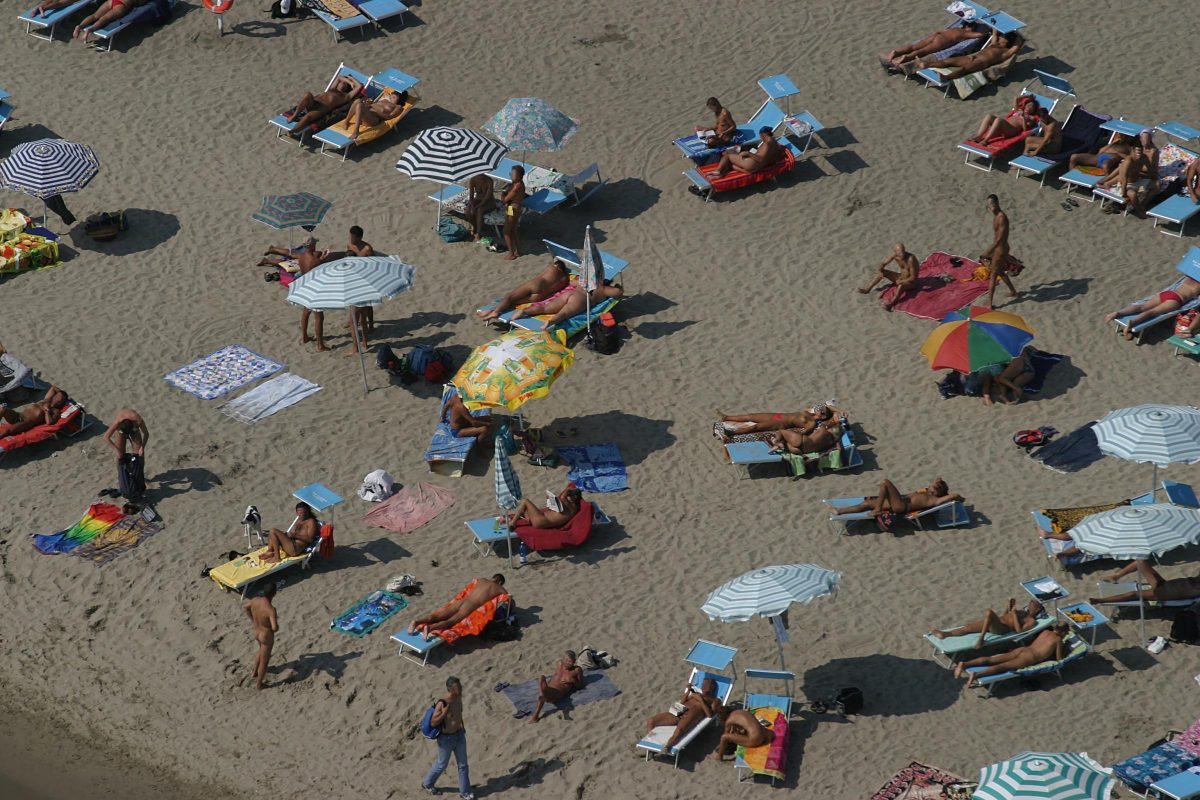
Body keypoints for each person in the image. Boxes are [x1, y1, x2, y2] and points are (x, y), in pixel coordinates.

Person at [953, 624, 1069, 687]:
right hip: (1030, 658)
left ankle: (965, 664)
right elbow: (1059, 658)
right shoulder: (1058, 640)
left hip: (1023, 649)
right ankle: (976, 675)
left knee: (992, 659)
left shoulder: (1045, 631)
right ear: (1063, 632)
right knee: (1003, 666)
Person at [421, 676, 475, 800]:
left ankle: (465, 792)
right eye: (457, 687)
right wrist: (444, 713)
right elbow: (433, 722)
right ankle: (427, 783)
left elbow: (458, 713)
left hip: (459, 735)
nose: (460, 689)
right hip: (446, 739)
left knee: (463, 765)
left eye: (460, 686)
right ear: (450, 689)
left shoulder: (458, 696)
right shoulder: (443, 702)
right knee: (442, 764)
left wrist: (462, 726)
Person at [407, 575, 508, 639]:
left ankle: (416, 622)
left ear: (493, 578)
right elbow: (508, 598)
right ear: (500, 583)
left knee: (438, 616)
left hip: (462, 601)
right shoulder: (499, 588)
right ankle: (430, 628)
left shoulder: (482, 580)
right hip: (471, 605)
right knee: (451, 622)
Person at [1104, 276, 1200, 340]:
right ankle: (1133, 322)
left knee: (1142, 306)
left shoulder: (1189, 275)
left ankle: (1118, 313)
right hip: (1177, 299)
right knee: (1152, 312)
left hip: (1169, 293)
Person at [475, 258, 571, 321]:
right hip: (540, 296)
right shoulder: (565, 280)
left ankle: (495, 312)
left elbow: (540, 276)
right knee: (513, 302)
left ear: (557, 265)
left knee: (509, 297)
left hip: (535, 285)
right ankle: (491, 311)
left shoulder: (552, 268)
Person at [929, 598, 1045, 649]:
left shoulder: (1032, 621)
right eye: (1030, 602)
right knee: (968, 627)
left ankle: (981, 639)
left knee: (989, 612)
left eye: (1033, 604)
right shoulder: (1022, 612)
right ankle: (945, 634)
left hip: (1002, 629)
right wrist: (1008, 607)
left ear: (1037, 610)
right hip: (997, 622)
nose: (1030, 603)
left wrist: (1014, 614)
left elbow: (1020, 631)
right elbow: (1005, 615)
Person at [644, 678, 723, 752]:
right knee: (651, 721)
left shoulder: (715, 700)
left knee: (679, 731)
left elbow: (710, 714)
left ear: (712, 687)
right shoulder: (695, 694)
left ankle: (666, 747)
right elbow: (681, 702)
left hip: (690, 715)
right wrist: (688, 691)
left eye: (707, 685)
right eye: (703, 684)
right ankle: (650, 744)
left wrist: (700, 699)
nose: (704, 687)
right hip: (680, 710)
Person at [915, 30, 1023, 81]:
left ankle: (946, 77)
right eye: (1001, 36)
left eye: (1003, 37)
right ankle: (926, 64)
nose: (1000, 38)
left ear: (1008, 41)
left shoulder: (1006, 52)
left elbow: (1017, 45)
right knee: (949, 61)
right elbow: (994, 33)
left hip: (982, 62)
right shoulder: (994, 43)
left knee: (964, 69)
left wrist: (1017, 33)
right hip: (973, 57)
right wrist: (1000, 24)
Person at [509, 281, 624, 328]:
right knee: (563, 314)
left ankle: (524, 312)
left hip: (571, 293)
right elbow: (618, 292)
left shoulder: (587, 280)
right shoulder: (603, 289)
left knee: (545, 307)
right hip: (581, 299)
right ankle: (550, 322)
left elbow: (572, 282)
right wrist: (617, 287)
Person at [835, 479, 964, 521]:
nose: (931, 487)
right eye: (932, 486)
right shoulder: (927, 491)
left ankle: (877, 510)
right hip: (899, 500)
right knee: (867, 503)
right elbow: (937, 479)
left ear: (940, 493)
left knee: (885, 483)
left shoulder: (935, 500)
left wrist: (961, 499)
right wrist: (937, 484)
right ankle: (840, 511)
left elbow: (954, 495)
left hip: (901, 506)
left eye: (934, 488)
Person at [292, 239, 339, 351]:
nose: (316, 245)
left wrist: (321, 258)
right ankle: (320, 345)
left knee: (305, 312)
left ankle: (304, 337)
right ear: (311, 245)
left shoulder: (302, 256)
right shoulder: (314, 260)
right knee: (319, 317)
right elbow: (321, 266)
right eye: (315, 244)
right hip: (314, 290)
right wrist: (324, 258)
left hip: (305, 287)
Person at [281, 74, 364, 135]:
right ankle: (295, 115)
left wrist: (351, 82)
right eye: (342, 82)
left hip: (321, 109)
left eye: (344, 84)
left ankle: (293, 131)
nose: (342, 83)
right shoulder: (332, 89)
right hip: (313, 102)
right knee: (307, 94)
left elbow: (359, 86)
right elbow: (339, 77)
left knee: (308, 117)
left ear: (347, 88)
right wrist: (349, 80)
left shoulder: (346, 96)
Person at [1090, 560, 1200, 604]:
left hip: (1162, 593)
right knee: (1140, 562)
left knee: (1132, 594)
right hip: (1165, 584)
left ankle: (1100, 600)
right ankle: (1115, 576)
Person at [883, 21, 988, 66]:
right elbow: (979, 35)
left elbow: (939, 31)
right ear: (969, 28)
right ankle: (905, 58)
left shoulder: (956, 28)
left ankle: (896, 52)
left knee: (914, 46)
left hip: (937, 35)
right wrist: (987, 30)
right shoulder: (965, 33)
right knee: (923, 51)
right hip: (941, 41)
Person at [1098, 138, 1156, 218]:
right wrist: (1123, 193)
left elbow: (1150, 169)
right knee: (1132, 194)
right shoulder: (1128, 161)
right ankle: (1139, 211)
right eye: (1137, 152)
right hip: (1128, 185)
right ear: (1133, 150)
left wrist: (1153, 177)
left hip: (1138, 181)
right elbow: (1124, 178)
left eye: (1140, 152)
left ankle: (1143, 204)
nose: (1139, 154)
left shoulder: (1144, 158)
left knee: (1157, 184)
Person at [716, 403, 846, 438]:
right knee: (751, 416)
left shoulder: (812, 423)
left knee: (756, 427)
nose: (819, 409)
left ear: (823, 416)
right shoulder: (811, 411)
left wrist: (792, 434)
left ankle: (731, 433)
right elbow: (828, 405)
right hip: (778, 415)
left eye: (822, 411)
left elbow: (805, 433)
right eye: (820, 409)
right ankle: (726, 417)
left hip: (780, 422)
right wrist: (841, 410)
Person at [858, 243, 921, 310]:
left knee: (901, 285)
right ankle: (867, 289)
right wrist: (880, 269)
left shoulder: (911, 259)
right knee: (882, 272)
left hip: (912, 283)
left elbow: (913, 278)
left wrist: (901, 281)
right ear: (895, 252)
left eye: (903, 252)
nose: (901, 255)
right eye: (899, 253)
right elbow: (883, 263)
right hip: (901, 277)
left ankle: (891, 304)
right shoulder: (894, 255)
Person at [530, 650, 585, 723]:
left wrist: (572, 680)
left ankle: (536, 715)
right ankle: (542, 695)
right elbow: (554, 677)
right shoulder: (559, 664)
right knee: (541, 677)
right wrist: (547, 685)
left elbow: (580, 686)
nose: (568, 663)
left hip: (557, 693)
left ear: (574, 661)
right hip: (549, 688)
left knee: (543, 691)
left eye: (570, 661)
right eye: (566, 660)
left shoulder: (576, 670)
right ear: (562, 659)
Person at [981, 194, 1016, 308]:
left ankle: (989, 303)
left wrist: (986, 252)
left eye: (992, 203)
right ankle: (1013, 291)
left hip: (1001, 249)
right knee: (999, 271)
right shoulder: (995, 216)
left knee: (993, 274)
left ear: (997, 203)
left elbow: (999, 239)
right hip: (999, 247)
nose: (991, 206)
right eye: (989, 204)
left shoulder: (1001, 218)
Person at [242, 582, 278, 691]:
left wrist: (252, 619)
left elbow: (246, 607)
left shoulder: (255, 600)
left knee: (260, 650)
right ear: (274, 594)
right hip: (265, 635)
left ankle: (254, 672)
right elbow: (274, 627)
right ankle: (259, 685)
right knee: (264, 660)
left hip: (256, 631)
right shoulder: (270, 609)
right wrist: (274, 626)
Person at [966, 94, 1038, 146]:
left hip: (1011, 130)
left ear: (1034, 110)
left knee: (999, 120)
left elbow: (1025, 129)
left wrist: (1023, 119)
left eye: (1032, 106)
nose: (1029, 107)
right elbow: (1016, 98)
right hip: (1003, 127)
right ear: (1025, 105)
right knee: (989, 116)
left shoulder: (1031, 118)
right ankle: (979, 137)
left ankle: (985, 140)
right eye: (1028, 104)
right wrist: (1027, 96)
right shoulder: (1018, 110)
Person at [712, 127, 782, 179]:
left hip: (752, 164)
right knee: (731, 164)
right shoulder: (775, 143)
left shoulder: (767, 144)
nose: (761, 137)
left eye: (760, 136)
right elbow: (772, 158)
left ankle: (718, 171)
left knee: (727, 156)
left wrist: (748, 153)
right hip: (757, 167)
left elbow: (761, 159)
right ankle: (722, 174)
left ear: (763, 134)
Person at [0, 385, 68, 437]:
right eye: (57, 396)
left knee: (6, 431)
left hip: (25, 423)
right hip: (18, 415)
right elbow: (53, 387)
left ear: (62, 402)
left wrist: (47, 411)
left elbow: (49, 422)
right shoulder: (46, 399)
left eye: (60, 399)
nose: (57, 399)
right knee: (3, 409)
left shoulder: (55, 411)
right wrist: (61, 393)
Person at [709, 709, 774, 761]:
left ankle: (719, 756)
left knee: (724, 737)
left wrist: (721, 746)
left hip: (756, 739)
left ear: (723, 719)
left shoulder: (728, 721)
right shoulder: (739, 712)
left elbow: (726, 735)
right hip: (766, 734)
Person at [73, 0, 146, 42]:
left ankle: (79, 26)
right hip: (122, 5)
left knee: (95, 15)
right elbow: (141, 3)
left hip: (112, 1)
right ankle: (90, 30)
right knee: (104, 19)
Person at [509, 487, 582, 529]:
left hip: (541, 520)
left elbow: (563, 496)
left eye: (569, 495)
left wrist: (568, 489)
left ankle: (513, 523)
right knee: (526, 509)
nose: (567, 496)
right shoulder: (573, 508)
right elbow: (555, 511)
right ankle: (527, 519)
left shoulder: (569, 505)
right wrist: (550, 501)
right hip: (543, 522)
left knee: (526, 501)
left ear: (574, 498)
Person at [766, 415, 841, 455]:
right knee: (786, 441)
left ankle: (777, 442)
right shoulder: (831, 441)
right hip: (802, 451)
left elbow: (806, 432)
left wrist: (799, 433)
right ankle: (780, 444)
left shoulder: (823, 429)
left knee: (781, 431)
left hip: (803, 441)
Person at [1068, 135, 1134, 173]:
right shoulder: (1115, 143)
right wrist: (1112, 143)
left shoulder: (1129, 148)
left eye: (1126, 136)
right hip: (1097, 157)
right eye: (1122, 135)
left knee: (1105, 165)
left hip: (1110, 159)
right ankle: (1070, 179)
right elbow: (1100, 151)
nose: (1123, 137)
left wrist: (1118, 153)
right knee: (1074, 157)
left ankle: (1105, 183)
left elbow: (1130, 158)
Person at [500, 165, 526, 260]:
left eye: (513, 174)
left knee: (506, 232)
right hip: (516, 208)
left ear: (519, 175)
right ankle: (518, 251)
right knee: (513, 230)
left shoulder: (516, 186)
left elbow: (505, 199)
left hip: (512, 209)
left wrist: (503, 194)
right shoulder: (518, 184)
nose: (511, 175)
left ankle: (511, 253)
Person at [464, 174, 497, 242]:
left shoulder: (489, 181)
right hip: (478, 200)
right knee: (468, 210)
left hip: (489, 202)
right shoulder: (473, 180)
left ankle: (479, 233)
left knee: (480, 210)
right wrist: (472, 205)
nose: (481, 176)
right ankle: (475, 226)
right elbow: (471, 196)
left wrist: (477, 206)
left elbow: (487, 197)